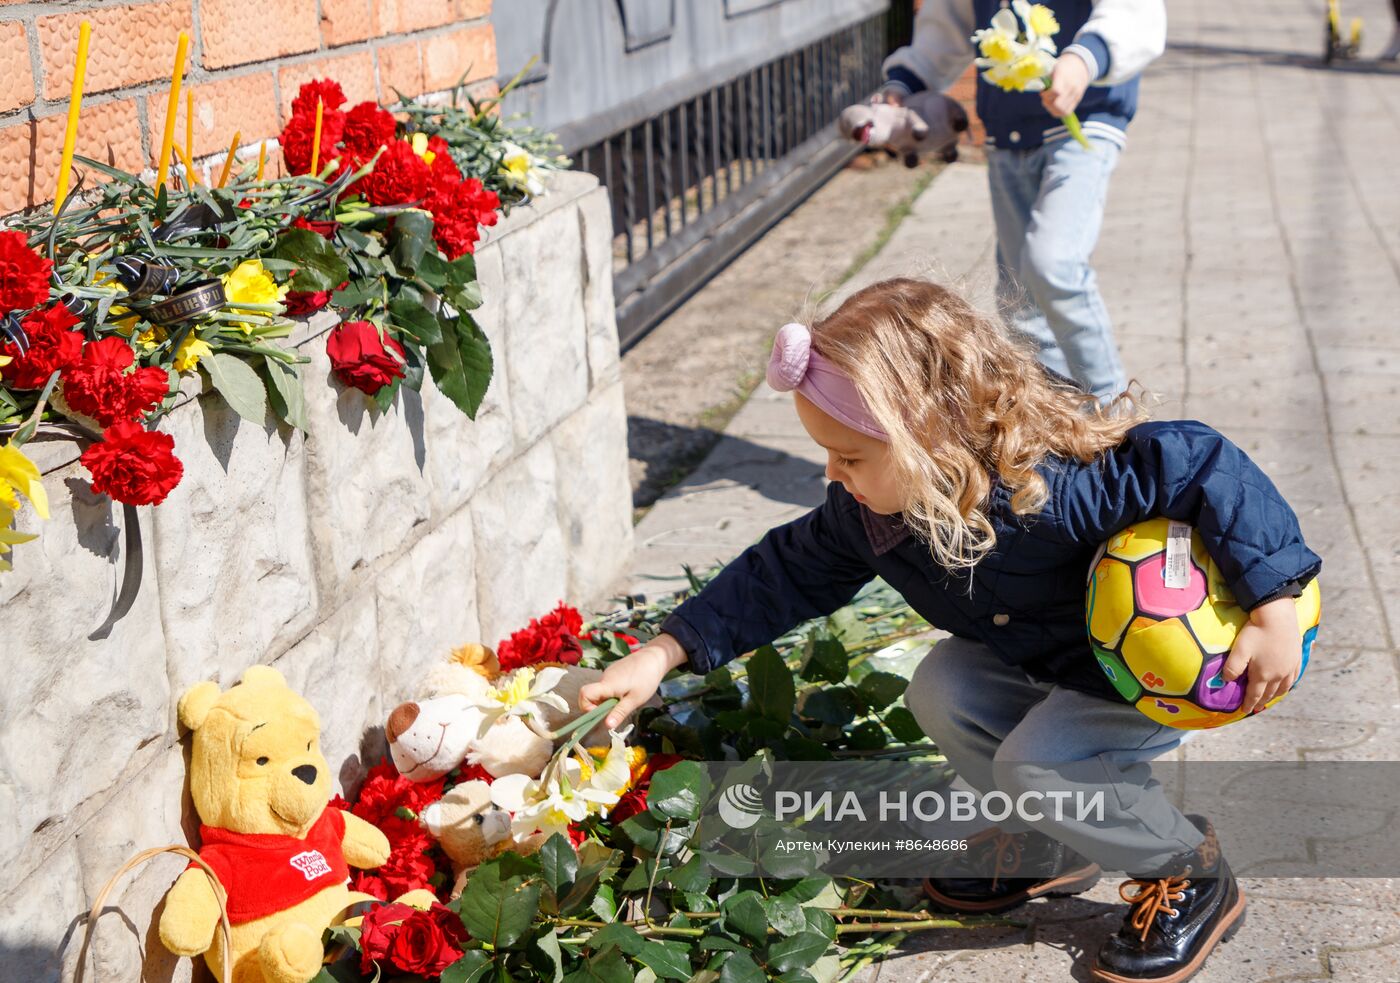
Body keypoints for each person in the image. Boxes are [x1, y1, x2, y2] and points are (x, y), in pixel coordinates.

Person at [580, 278, 1322, 983]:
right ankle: (1047, 840)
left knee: (1039, 763)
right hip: (1055, 663)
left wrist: (1272, 607)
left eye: (851, 457)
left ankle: (1186, 865)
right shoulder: (872, 517)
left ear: (926, 433)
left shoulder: (1057, 489)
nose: (834, 476)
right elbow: (781, 573)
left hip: (1148, 678)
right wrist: (662, 650)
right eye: (828, 457)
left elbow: (1203, 463)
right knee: (941, 685)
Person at [877, 0, 1166, 402]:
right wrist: (904, 85)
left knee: (1053, 264)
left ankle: (1114, 418)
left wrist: (1084, 60)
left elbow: (1135, 11)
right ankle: (1061, 420)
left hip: (1086, 117)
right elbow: (947, 23)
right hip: (1007, 133)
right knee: (1019, 300)